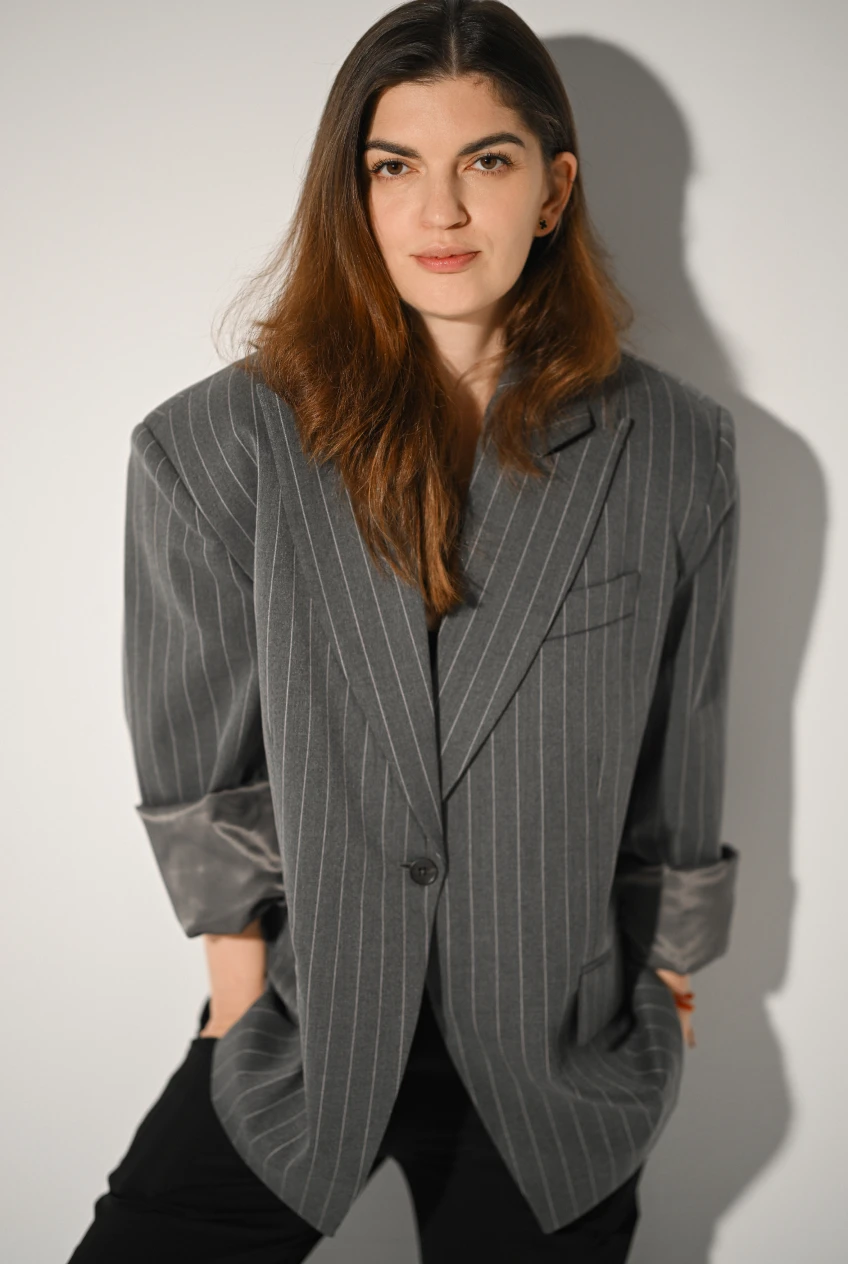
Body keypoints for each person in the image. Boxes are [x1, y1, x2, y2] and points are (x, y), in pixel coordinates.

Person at [68, 1, 740, 1260]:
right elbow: (198, 754)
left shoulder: (672, 447)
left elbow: (683, 725)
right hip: (305, 1032)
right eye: (393, 167)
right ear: (354, 191)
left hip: (554, 1052)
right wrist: (236, 992)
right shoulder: (213, 445)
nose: (440, 210)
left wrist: (670, 966)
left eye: (484, 160)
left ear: (552, 189)